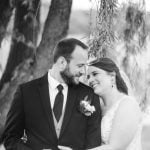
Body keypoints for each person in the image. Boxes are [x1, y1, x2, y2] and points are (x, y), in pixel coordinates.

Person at [1, 38, 102, 150]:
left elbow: (94, 144)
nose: (83, 72)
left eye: (85, 66)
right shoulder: (26, 92)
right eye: (80, 66)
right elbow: (10, 138)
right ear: (62, 62)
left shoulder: (90, 95)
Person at [87, 57, 142, 150]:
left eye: (95, 74)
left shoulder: (128, 105)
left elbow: (115, 147)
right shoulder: (96, 107)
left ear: (112, 77)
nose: (90, 80)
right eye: (88, 77)